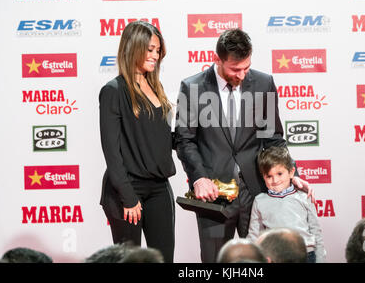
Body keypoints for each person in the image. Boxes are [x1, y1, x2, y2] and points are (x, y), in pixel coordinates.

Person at [175, 28, 314, 262]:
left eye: (246, 67)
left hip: (257, 193)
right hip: (214, 197)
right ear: (217, 59)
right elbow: (185, 140)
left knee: (262, 260)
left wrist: (292, 174)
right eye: (235, 69)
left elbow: (273, 138)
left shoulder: (263, 82)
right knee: (214, 261)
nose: (241, 75)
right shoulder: (193, 87)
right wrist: (199, 178)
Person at [99, 20, 176, 263]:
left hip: (159, 188)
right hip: (127, 190)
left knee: (164, 259)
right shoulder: (113, 90)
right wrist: (129, 197)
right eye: (150, 49)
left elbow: (159, 139)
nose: (155, 56)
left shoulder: (156, 86)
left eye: (157, 51)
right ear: (133, 47)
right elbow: (112, 152)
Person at [247, 147, 326, 263]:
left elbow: (316, 233)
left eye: (279, 173)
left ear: (291, 172)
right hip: (275, 257)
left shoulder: (304, 197)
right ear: (263, 177)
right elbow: (254, 235)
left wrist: (321, 260)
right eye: (269, 176)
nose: (275, 180)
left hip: (306, 255)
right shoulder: (260, 201)